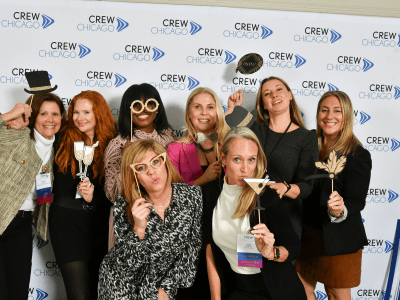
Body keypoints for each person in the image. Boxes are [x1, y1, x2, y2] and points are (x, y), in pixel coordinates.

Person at [203, 126, 307, 300]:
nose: (245, 169)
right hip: (238, 289)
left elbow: (293, 247)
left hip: (276, 291)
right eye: (237, 159)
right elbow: (210, 249)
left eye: (251, 160)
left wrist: (271, 252)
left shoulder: (265, 196)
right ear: (223, 157)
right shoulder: (212, 193)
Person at [98, 139, 202, 300]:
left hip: (163, 289)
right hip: (122, 287)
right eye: (141, 168)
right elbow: (125, 266)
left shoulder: (192, 196)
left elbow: (191, 250)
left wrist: (166, 288)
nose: (151, 172)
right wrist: (139, 230)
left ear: (165, 162)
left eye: (155, 162)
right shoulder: (124, 205)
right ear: (134, 175)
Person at [295, 91, 371, 300]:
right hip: (307, 236)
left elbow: (356, 200)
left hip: (339, 239)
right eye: (324, 110)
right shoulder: (308, 144)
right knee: (301, 291)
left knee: (336, 293)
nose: (330, 116)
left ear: (346, 116)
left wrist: (340, 210)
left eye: (337, 111)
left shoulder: (357, 154)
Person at [226, 77, 319, 238]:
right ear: (262, 104)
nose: (274, 95)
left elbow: (307, 185)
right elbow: (226, 145)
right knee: (247, 264)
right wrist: (231, 111)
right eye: (267, 93)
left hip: (285, 219)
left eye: (279, 89)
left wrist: (286, 188)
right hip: (249, 215)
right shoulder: (253, 127)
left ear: (290, 95)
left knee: (280, 261)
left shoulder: (306, 137)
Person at [49, 90, 117, 300]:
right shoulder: (60, 138)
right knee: (77, 295)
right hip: (66, 225)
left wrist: (94, 197)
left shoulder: (113, 144)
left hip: (99, 225)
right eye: (75, 112)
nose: (79, 118)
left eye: (86, 112)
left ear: (99, 113)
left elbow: (118, 192)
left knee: (97, 291)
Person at [0, 89, 66, 300]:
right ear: (33, 116)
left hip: (22, 224)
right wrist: (7, 116)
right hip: (2, 217)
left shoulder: (56, 147)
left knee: (17, 288)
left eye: (55, 114)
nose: (50, 120)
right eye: (43, 114)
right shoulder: (14, 133)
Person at [104, 83, 175, 248]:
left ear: (157, 108)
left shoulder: (168, 138)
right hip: (129, 218)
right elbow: (112, 193)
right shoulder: (118, 144)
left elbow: (177, 180)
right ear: (128, 110)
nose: (144, 109)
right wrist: (126, 162)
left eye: (150, 103)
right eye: (136, 105)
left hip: (166, 215)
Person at [168, 87, 227, 187]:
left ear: (217, 112)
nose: (204, 112)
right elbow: (170, 191)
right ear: (189, 113)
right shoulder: (175, 150)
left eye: (210, 107)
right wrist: (202, 180)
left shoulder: (228, 144)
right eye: (198, 107)